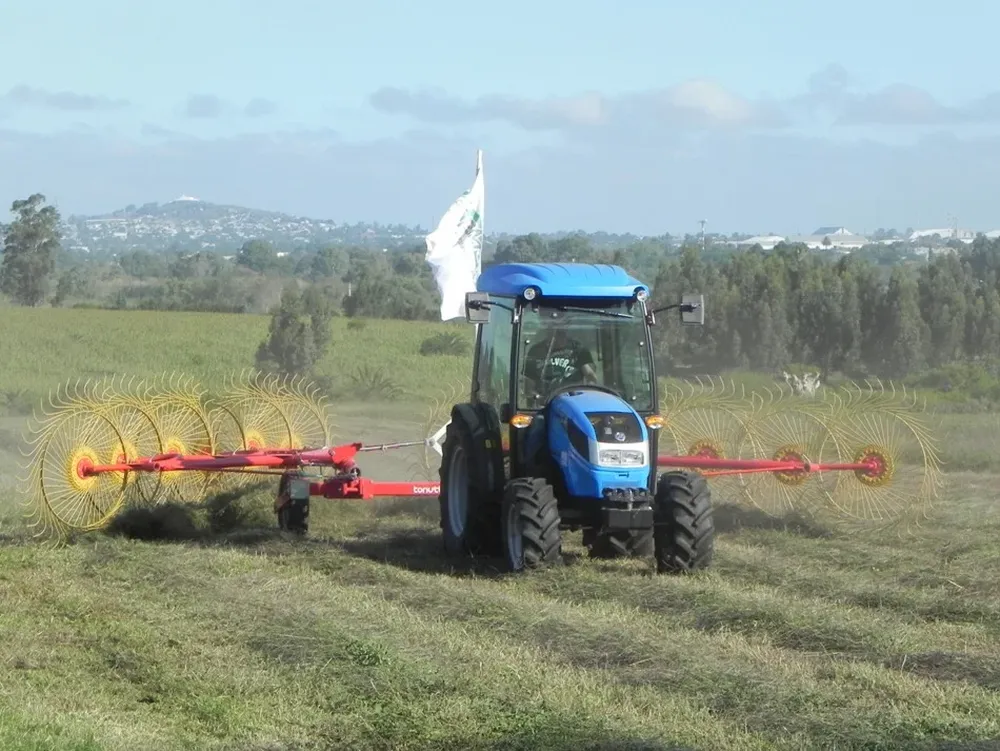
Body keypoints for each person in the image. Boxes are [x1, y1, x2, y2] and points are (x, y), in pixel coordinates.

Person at [522, 327, 598, 403]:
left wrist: (584, 398)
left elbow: (591, 378)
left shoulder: (578, 350)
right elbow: (528, 388)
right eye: (553, 331)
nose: (556, 335)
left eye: (560, 333)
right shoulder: (536, 351)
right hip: (545, 406)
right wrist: (541, 400)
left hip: (573, 402)